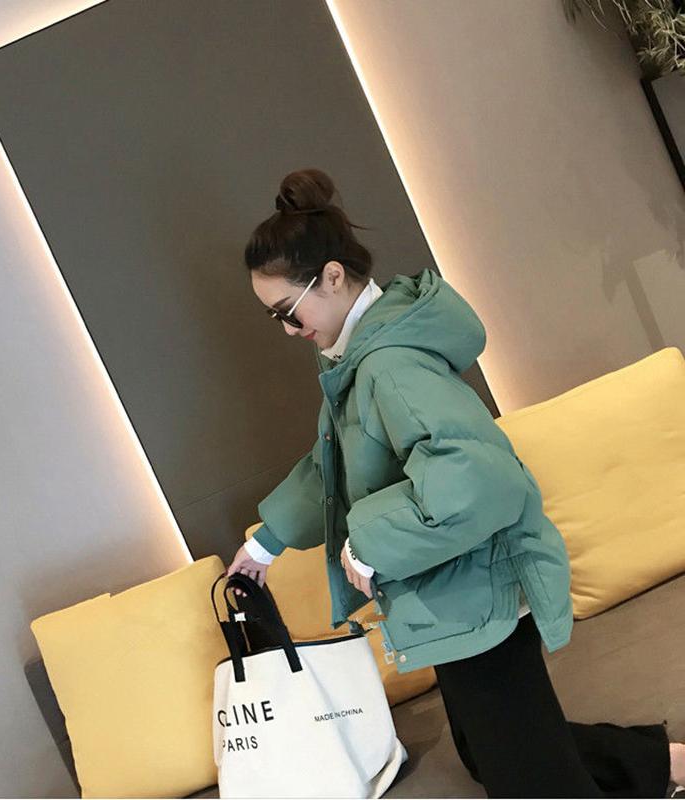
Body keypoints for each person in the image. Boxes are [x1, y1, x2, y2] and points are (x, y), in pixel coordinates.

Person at [225, 167, 684, 798]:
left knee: (531, 779)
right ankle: (663, 765)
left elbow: (478, 480)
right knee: (487, 750)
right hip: (449, 586)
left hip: (476, 587)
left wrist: (369, 544)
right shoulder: (358, 360)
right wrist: (267, 541)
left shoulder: (389, 367)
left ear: (331, 277)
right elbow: (334, 463)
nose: (287, 328)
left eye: (287, 310)